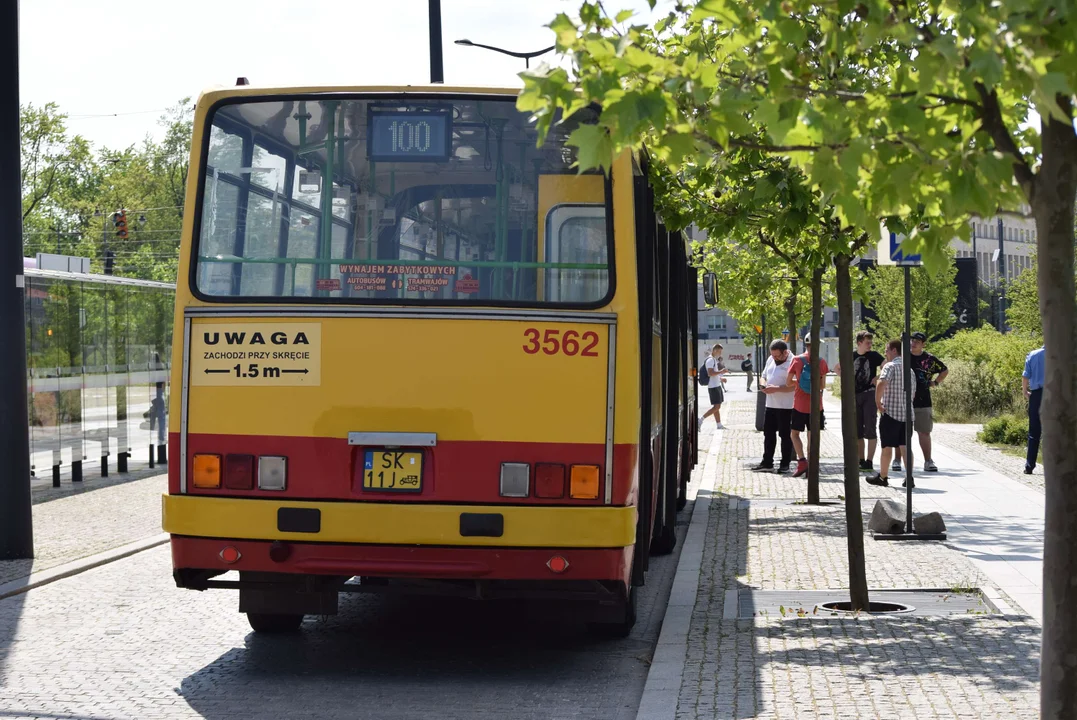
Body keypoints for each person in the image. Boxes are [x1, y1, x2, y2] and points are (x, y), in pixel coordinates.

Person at [835, 331, 885, 472]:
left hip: (869, 394)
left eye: (871, 342)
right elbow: (837, 367)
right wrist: (845, 378)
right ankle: (860, 459)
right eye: (867, 342)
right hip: (854, 395)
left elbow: (887, 365)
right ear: (859, 343)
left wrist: (879, 377)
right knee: (857, 430)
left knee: (870, 428)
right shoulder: (852, 355)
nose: (870, 345)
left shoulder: (874, 355)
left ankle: (869, 461)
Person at [868, 339, 912, 487]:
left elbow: (881, 383)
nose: (885, 353)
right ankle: (909, 477)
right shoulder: (909, 369)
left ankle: (883, 477)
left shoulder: (890, 367)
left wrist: (877, 402)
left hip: (891, 413)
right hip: (907, 415)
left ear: (894, 350)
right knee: (905, 446)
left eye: (887, 350)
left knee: (886, 446)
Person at [785, 333, 829, 478]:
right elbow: (822, 385)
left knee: (795, 434)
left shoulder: (797, 360)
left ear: (805, 344)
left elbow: (788, 382)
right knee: (813, 436)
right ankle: (812, 465)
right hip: (816, 406)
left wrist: (798, 383)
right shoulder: (822, 362)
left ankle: (802, 461)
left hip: (799, 404)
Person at [906, 331, 948, 473]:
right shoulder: (904, 356)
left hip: (923, 400)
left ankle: (928, 460)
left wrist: (935, 382)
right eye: (912, 340)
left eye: (917, 341)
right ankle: (898, 460)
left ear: (923, 344)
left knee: (924, 432)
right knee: (902, 432)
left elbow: (944, 370)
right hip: (904, 399)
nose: (914, 343)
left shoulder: (929, 358)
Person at [753, 340, 795, 473]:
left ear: (785, 352)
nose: (775, 358)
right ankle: (767, 462)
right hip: (770, 404)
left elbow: (794, 385)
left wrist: (776, 388)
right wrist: (763, 384)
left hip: (786, 406)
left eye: (777, 356)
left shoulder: (793, 361)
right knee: (768, 434)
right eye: (773, 355)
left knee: (785, 435)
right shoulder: (771, 358)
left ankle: (785, 464)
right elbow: (763, 376)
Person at [1022, 344, 1045, 474]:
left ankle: (1029, 466)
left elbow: (1025, 376)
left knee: (1034, 431)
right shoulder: (1061, 356)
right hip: (1055, 395)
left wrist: (1025, 392)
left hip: (1036, 395)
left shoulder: (1033, 354)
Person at [699, 343, 728, 430]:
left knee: (717, 406)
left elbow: (714, 374)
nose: (720, 354)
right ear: (715, 350)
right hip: (713, 387)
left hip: (716, 385)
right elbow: (710, 373)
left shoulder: (714, 360)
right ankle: (700, 420)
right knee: (717, 407)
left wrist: (720, 378)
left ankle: (719, 425)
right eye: (719, 352)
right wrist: (721, 371)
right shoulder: (710, 360)